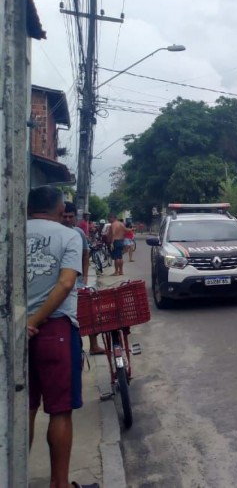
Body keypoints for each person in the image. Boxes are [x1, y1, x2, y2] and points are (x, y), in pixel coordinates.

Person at [27, 187, 100, 488]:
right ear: (59, 210)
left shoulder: (10, 232)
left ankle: (14, 477)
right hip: (54, 330)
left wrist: (22, 323)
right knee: (59, 410)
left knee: (24, 408)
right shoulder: (68, 235)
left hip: (15, 331)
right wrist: (36, 321)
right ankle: (59, 484)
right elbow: (68, 282)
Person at [62, 202, 105, 355]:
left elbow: (85, 254)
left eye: (70, 217)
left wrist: (85, 275)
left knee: (90, 313)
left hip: (78, 282)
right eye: (64, 216)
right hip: (61, 285)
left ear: (75, 217)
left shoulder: (79, 232)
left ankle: (93, 345)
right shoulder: (57, 233)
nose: (67, 219)